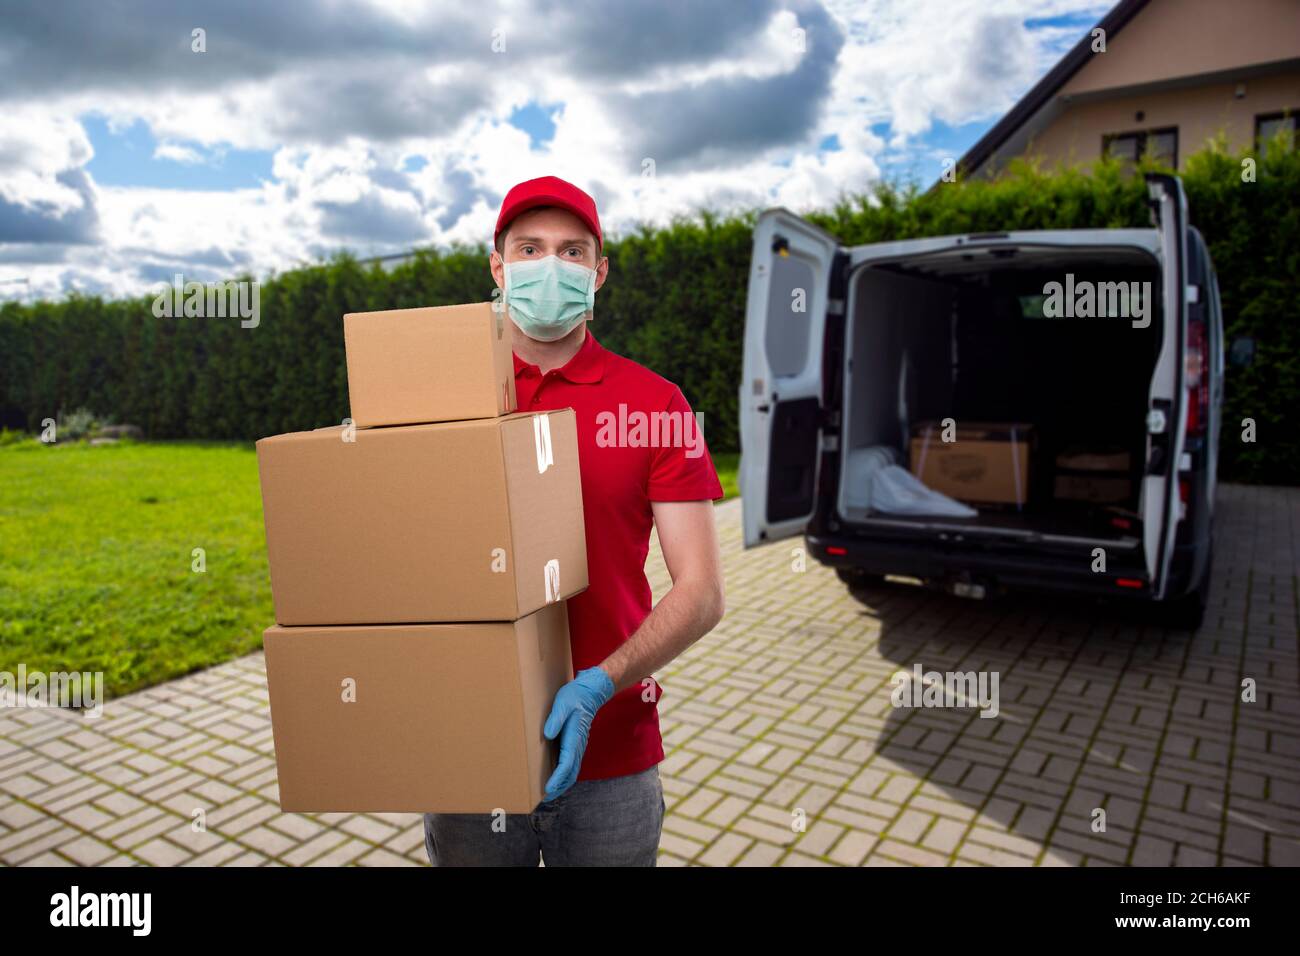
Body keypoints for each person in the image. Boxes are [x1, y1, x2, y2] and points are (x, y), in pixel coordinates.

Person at [423, 175, 726, 866]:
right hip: (472, 747)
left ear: (599, 272)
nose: (549, 266)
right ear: (497, 268)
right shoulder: (442, 396)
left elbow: (702, 592)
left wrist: (600, 684)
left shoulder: (655, 404)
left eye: (571, 250)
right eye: (529, 249)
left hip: (611, 751)